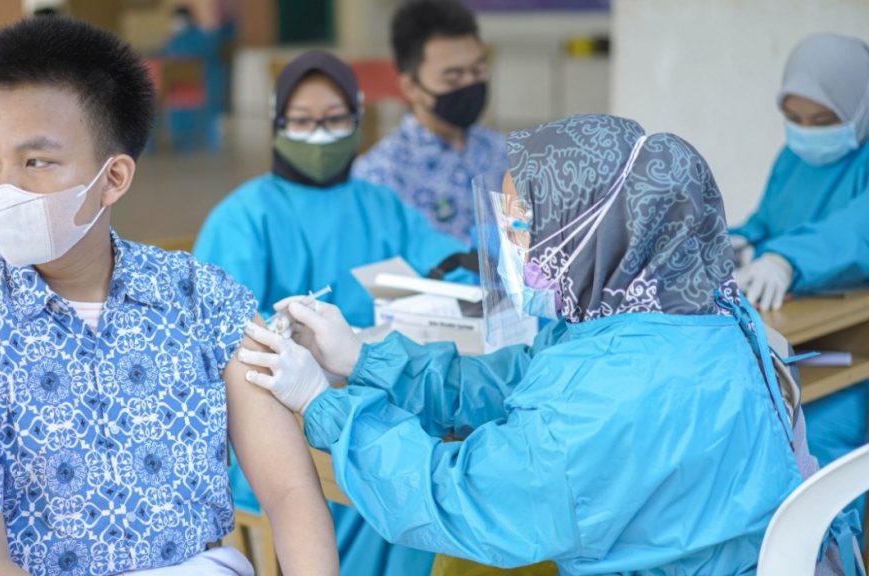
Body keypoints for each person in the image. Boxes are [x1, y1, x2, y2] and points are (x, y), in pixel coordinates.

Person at [239, 114, 862, 575]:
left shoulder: (608, 400)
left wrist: (325, 404)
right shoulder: (691, 312)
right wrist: (364, 360)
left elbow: (454, 497)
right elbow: (523, 378)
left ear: (598, 232)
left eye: (524, 225)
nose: (511, 245)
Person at [0, 16, 338, 576]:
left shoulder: (202, 298)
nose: (1, 187)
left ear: (114, 178)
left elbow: (291, 491)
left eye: (36, 162)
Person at [192, 49, 470, 576]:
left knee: (429, 469)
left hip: (384, 412)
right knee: (403, 487)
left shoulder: (380, 205)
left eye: (334, 119)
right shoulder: (243, 218)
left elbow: (452, 268)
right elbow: (221, 346)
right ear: (277, 125)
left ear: (358, 122)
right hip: (284, 439)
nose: (319, 134)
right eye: (302, 121)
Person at [732, 33, 869, 485]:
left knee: (824, 448)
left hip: (851, 339)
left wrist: (786, 259)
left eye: (823, 119)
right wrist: (742, 243)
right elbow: (769, 219)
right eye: (794, 118)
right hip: (795, 335)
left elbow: (856, 230)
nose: (806, 132)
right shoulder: (792, 158)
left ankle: (831, 555)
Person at [352, 0, 507, 244]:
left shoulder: (502, 153)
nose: (469, 84)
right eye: (453, 77)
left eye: (478, 71)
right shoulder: (380, 177)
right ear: (410, 86)